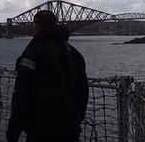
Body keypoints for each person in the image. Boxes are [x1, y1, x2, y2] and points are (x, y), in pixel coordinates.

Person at [7, 10, 89, 142]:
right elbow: (84, 92)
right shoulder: (75, 54)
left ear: (36, 26)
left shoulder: (33, 52)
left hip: (41, 128)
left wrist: (13, 131)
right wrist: (76, 118)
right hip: (70, 128)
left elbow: (22, 94)